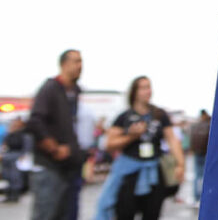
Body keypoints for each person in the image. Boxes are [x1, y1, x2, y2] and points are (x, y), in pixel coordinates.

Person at [96, 76, 184, 220]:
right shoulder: (124, 117)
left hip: (154, 171)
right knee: (125, 212)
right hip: (130, 173)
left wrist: (180, 164)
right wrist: (131, 136)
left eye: (149, 87)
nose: (147, 91)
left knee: (152, 213)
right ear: (135, 92)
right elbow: (109, 144)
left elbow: (172, 140)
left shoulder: (159, 115)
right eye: (143, 87)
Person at [27, 49, 84, 220]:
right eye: (76, 61)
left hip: (69, 167)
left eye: (81, 61)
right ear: (64, 64)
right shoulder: (50, 88)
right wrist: (54, 148)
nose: (80, 66)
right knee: (46, 213)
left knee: (65, 214)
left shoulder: (74, 92)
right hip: (50, 167)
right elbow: (35, 122)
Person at [1, 116, 30, 202]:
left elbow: (27, 146)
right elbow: (5, 145)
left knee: (15, 176)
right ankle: (9, 194)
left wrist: (23, 156)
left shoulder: (24, 134)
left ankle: (15, 194)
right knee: (7, 175)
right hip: (8, 156)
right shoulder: (10, 133)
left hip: (17, 156)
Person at [188, 109, 210, 206]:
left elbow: (191, 139)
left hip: (197, 153)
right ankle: (203, 198)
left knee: (197, 176)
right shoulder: (209, 125)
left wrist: (192, 150)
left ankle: (196, 197)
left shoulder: (195, 125)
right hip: (206, 153)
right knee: (205, 176)